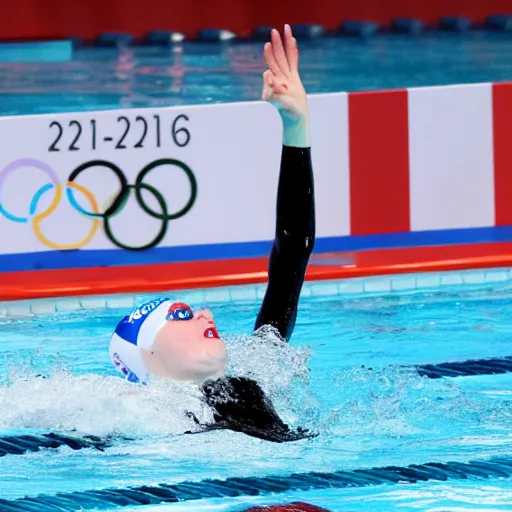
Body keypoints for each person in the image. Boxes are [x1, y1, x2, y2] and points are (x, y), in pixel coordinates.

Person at [110, 25, 316, 443]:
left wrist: (297, 126)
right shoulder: (138, 418)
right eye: (183, 315)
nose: (206, 315)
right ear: (149, 355)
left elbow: (293, 251)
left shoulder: (258, 375)